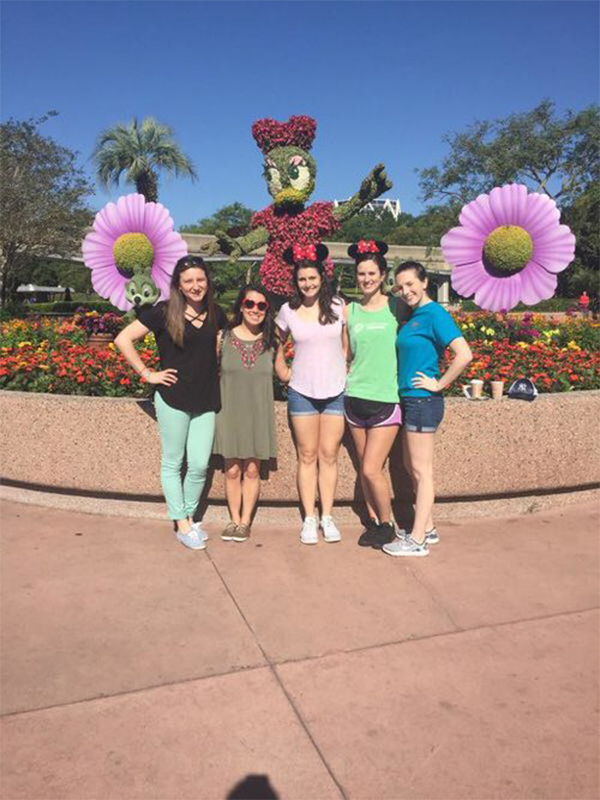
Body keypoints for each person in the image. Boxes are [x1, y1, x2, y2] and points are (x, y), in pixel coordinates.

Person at [115, 256, 226, 551]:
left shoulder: (217, 313)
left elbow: (218, 345)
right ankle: (182, 522)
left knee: (200, 464)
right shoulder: (162, 312)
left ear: (207, 281)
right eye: (188, 280)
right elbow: (123, 339)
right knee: (173, 462)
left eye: (200, 280)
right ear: (178, 284)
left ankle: (187, 515)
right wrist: (147, 373)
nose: (195, 286)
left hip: (205, 398)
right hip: (173, 397)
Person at [382, 261, 472, 558]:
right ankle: (428, 528)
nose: (405, 290)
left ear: (424, 283)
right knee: (411, 467)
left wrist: (439, 383)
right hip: (410, 399)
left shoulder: (435, 314)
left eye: (411, 284)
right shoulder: (415, 315)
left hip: (423, 399)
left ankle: (417, 540)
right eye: (400, 285)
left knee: (422, 470)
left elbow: (463, 354)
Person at [275, 243, 346, 545]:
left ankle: (327, 516)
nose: (308, 284)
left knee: (328, 455)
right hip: (302, 390)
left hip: (335, 390)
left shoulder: (339, 306)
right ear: (296, 281)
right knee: (307, 455)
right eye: (302, 279)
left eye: (312, 278)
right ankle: (309, 518)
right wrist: (282, 371)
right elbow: (275, 342)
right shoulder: (287, 310)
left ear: (321, 277)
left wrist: (346, 368)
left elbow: (347, 343)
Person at [344, 240, 405, 549]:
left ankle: (388, 522)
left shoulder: (397, 307)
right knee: (364, 469)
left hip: (386, 399)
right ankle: (374, 523)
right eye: (361, 274)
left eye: (371, 273)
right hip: (354, 397)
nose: (366, 279)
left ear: (383, 275)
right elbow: (345, 353)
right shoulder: (350, 310)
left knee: (371, 468)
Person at [213, 285, 278, 542]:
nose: (255, 310)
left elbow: (285, 373)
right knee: (231, 470)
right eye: (249, 304)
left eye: (261, 306)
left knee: (252, 470)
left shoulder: (272, 340)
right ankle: (233, 519)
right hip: (229, 410)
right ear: (241, 305)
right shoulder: (222, 338)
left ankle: (244, 522)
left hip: (258, 412)